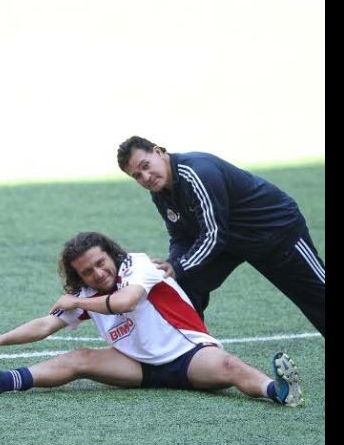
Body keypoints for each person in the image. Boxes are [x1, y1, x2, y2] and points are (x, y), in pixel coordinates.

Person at [0, 232, 304, 407]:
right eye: (87, 272)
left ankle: (278, 391)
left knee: (230, 366)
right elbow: (46, 324)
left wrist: (76, 301)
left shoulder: (138, 265)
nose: (98, 273)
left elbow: (126, 301)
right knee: (79, 358)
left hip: (189, 356)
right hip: (138, 366)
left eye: (101, 263)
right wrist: (0, 339)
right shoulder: (88, 294)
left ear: (111, 254)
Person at [115, 136, 325, 337]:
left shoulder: (197, 173)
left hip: (274, 233)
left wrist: (178, 267)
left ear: (158, 152)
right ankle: (193, 352)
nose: (146, 177)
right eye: (137, 176)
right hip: (229, 241)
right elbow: (181, 235)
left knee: (317, 296)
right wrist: (172, 267)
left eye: (145, 166)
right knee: (182, 287)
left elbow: (213, 234)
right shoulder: (160, 191)